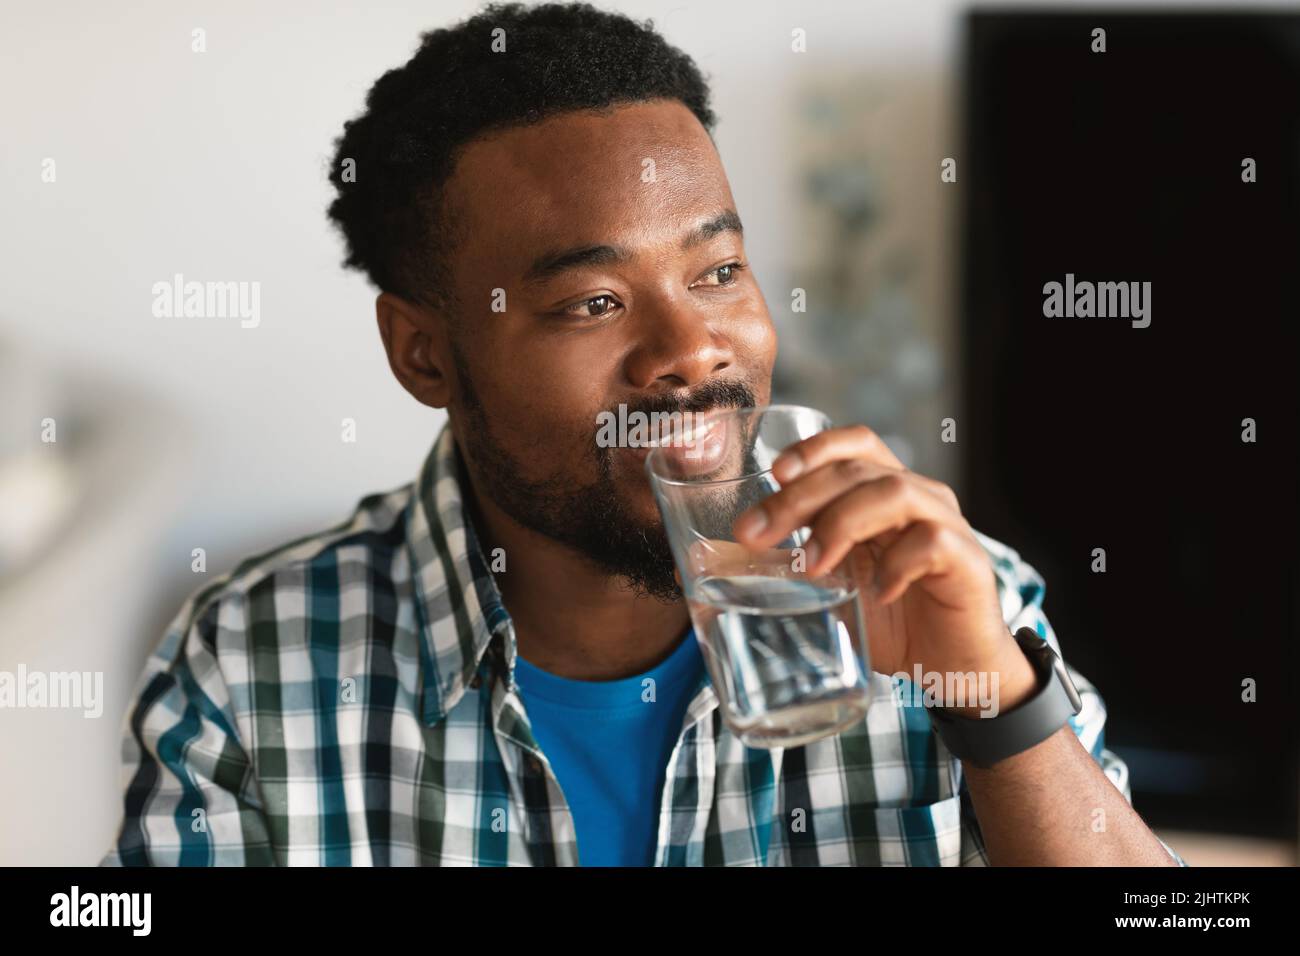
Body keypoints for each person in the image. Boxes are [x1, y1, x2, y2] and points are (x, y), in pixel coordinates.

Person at [103, 1, 1184, 867]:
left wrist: (997, 705)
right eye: (591, 302)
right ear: (423, 353)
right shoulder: (250, 665)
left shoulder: (950, 603)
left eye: (718, 271)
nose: (694, 349)